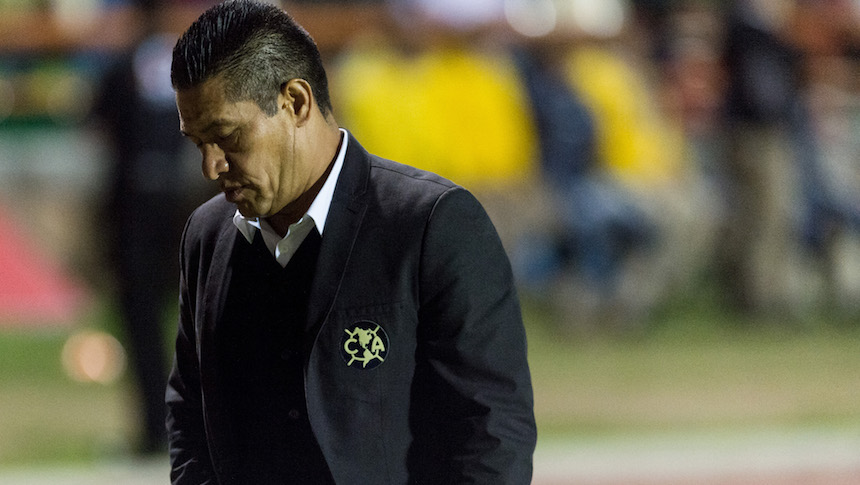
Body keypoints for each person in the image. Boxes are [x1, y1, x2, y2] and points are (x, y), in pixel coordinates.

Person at [165, 1, 537, 483]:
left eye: (227, 136)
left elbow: (490, 434)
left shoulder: (433, 224)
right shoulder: (206, 235)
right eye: (198, 142)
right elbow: (190, 413)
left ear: (296, 101)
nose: (211, 166)